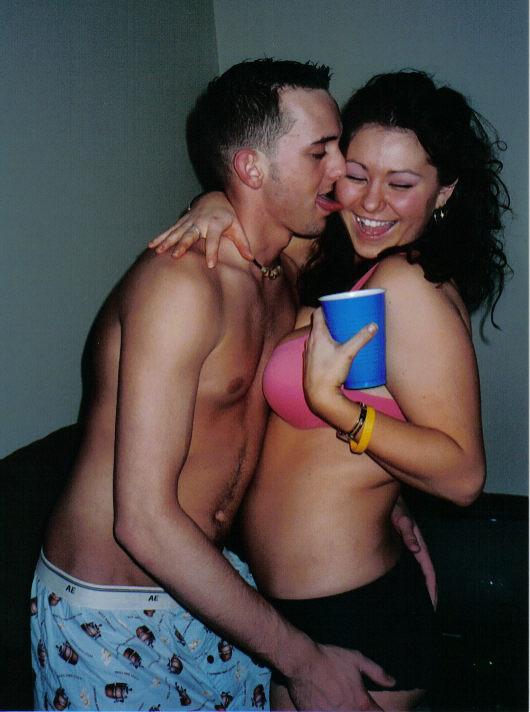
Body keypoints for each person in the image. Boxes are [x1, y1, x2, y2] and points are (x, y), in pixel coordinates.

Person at [31, 58, 413, 712]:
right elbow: (143, 522)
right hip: (110, 615)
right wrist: (305, 661)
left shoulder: (283, 268)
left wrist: (393, 508)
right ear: (251, 168)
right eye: (320, 152)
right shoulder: (182, 287)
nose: (340, 168)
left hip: (208, 584)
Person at [149, 69, 511, 710]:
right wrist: (214, 202)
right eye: (357, 174)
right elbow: (258, 227)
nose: (371, 202)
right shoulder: (344, 266)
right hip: (289, 614)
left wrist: (338, 410)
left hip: (356, 614)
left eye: (402, 184)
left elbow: (462, 476)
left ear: (445, 192)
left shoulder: (409, 285)